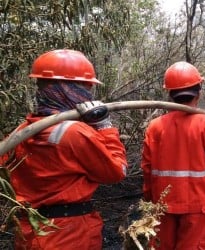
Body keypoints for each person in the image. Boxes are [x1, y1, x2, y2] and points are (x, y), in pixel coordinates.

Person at [0, 49, 128, 249]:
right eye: (86, 88)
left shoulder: (21, 132)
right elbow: (116, 172)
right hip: (68, 234)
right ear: (73, 89)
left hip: (28, 231)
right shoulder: (75, 133)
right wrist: (105, 127)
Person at [141, 61, 205, 250]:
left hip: (163, 205)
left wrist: (150, 201)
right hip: (198, 206)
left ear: (170, 94)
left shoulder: (155, 126)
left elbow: (147, 168)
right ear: (199, 92)